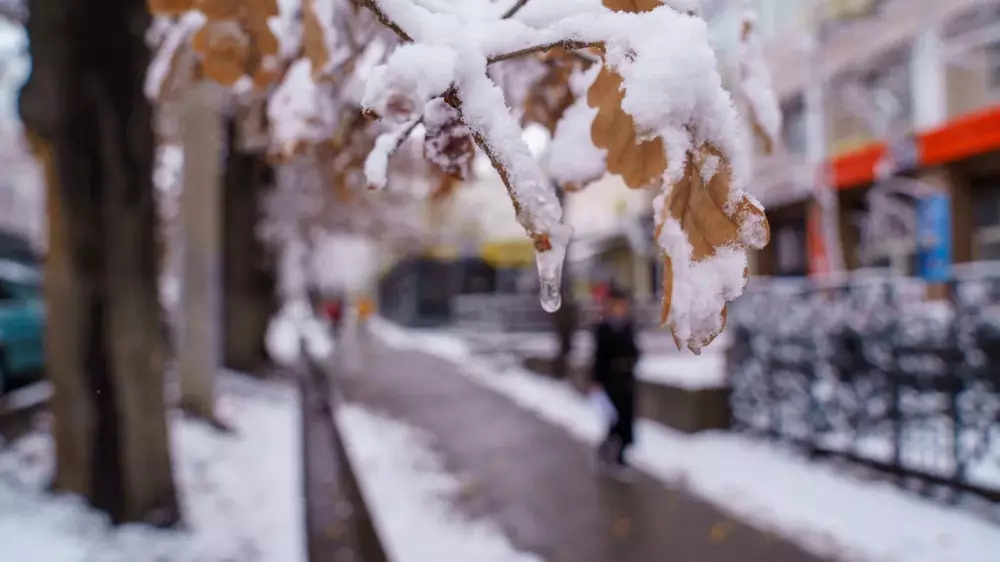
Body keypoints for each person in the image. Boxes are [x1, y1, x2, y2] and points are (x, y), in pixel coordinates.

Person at [590, 288, 641, 478]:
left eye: (623, 305)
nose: (621, 309)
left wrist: (633, 360)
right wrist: (596, 381)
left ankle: (622, 456)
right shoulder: (603, 328)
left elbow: (635, 350)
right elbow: (598, 356)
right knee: (614, 420)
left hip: (627, 379)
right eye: (617, 305)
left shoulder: (628, 326)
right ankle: (606, 450)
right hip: (610, 380)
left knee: (627, 419)